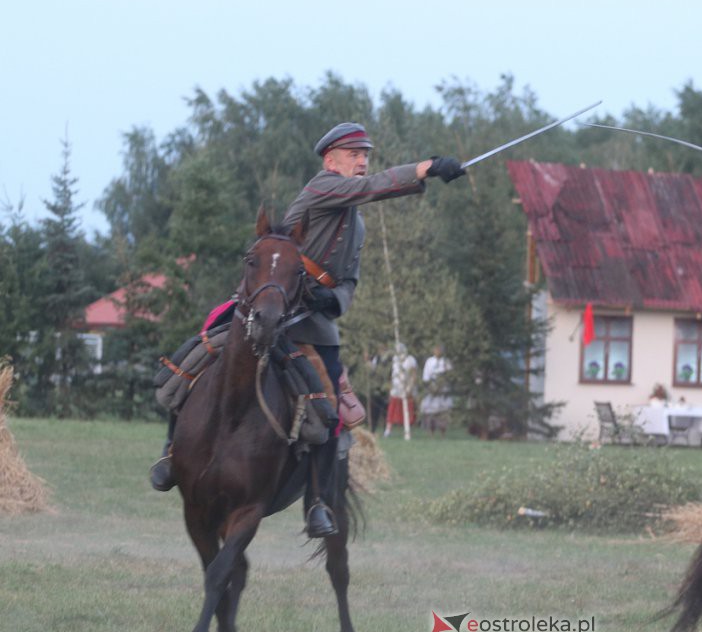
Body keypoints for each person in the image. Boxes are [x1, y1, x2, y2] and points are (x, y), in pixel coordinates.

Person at [149, 121, 465, 539]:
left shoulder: (360, 226)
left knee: (336, 410)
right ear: (330, 159)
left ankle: (317, 501)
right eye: (354, 154)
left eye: (365, 154)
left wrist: (333, 301)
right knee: (196, 358)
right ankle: (172, 453)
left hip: (314, 321)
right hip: (270, 304)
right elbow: (370, 187)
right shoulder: (324, 187)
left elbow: (349, 279)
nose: (362, 161)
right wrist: (425, 168)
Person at [385, 343, 418, 438]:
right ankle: (388, 429)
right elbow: (393, 374)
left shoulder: (410, 360)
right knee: (392, 409)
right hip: (396, 389)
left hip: (406, 388)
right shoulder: (395, 359)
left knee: (408, 410)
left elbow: (413, 375)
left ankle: (407, 430)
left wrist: (409, 388)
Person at [420, 343, 454, 436]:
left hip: (443, 389)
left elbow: (449, 376)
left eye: (439, 349)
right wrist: (430, 386)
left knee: (443, 411)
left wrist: (442, 384)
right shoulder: (429, 361)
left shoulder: (446, 361)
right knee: (431, 412)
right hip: (432, 388)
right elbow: (426, 375)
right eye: (436, 349)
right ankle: (431, 431)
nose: (437, 351)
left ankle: (443, 431)